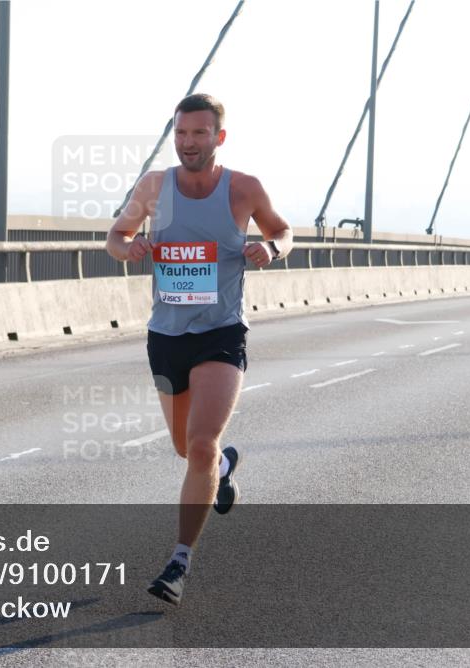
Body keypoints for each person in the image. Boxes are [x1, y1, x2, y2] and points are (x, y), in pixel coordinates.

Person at [105, 93, 293, 605]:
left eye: (199, 133)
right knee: (186, 449)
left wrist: (270, 247)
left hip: (221, 333)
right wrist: (129, 248)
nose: (188, 143)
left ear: (219, 137)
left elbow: (283, 231)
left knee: (203, 443)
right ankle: (224, 471)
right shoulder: (154, 186)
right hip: (166, 336)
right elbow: (115, 237)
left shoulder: (243, 188)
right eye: (182, 133)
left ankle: (179, 561)